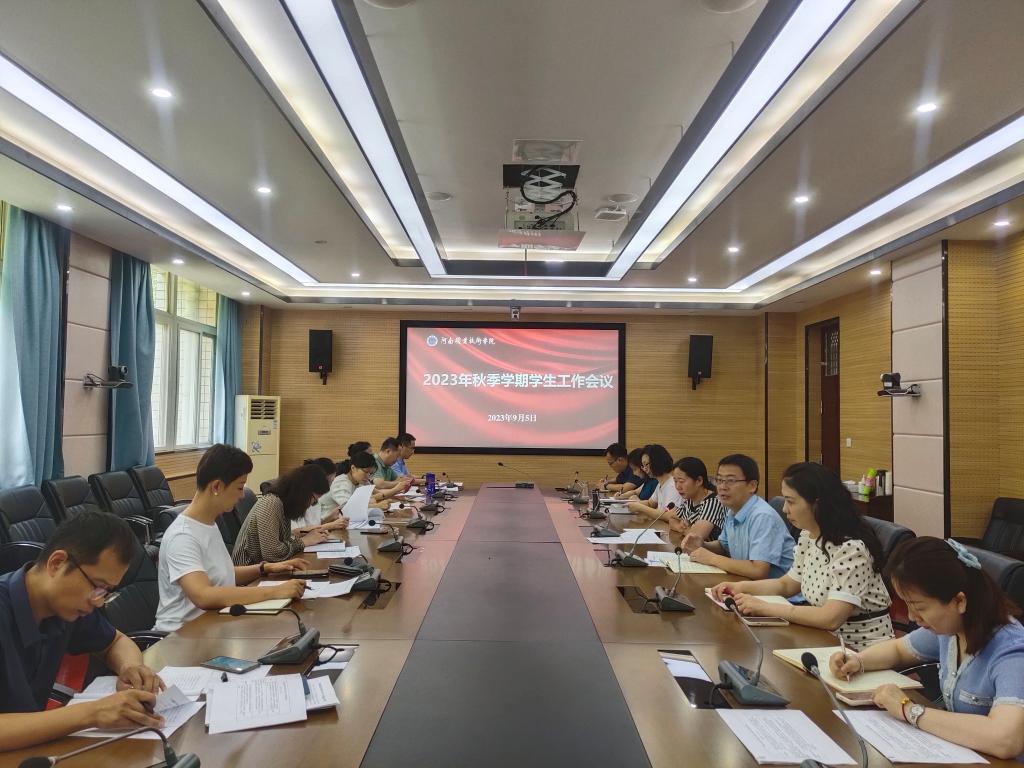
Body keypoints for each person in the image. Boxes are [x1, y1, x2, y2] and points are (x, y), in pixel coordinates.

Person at [829, 537, 1024, 759]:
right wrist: (858, 660)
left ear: (959, 601)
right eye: (907, 605)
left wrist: (908, 709)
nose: (912, 617)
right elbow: (898, 650)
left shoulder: (1012, 651)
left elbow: (1006, 738)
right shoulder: (953, 628)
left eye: (919, 607)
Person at [0, 511, 167, 752]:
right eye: (97, 587)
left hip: (30, 749)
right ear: (57, 563)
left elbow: (115, 641)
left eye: (106, 592)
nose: (98, 602)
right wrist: (92, 713)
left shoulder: (64, 607)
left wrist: (130, 667)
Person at [710, 462, 893, 649]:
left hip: (860, 650)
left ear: (817, 504)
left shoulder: (851, 549)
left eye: (791, 502)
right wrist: (740, 587)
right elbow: (786, 585)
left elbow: (831, 618)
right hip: (821, 639)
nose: (784, 509)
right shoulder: (809, 537)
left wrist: (765, 607)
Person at [155, 444, 307, 633]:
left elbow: (221, 574)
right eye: (240, 487)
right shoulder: (183, 536)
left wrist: (264, 568)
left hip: (213, 626)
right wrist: (275, 591)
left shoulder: (209, 523)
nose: (242, 495)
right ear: (217, 486)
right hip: (181, 636)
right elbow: (203, 595)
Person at [682, 454, 794, 579]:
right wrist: (703, 545)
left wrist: (712, 558)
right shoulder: (733, 510)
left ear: (752, 485)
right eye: (719, 480)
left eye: (730, 481)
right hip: (745, 582)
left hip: (776, 589)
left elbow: (758, 570)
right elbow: (724, 547)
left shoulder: (762, 516)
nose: (722, 487)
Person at [232, 464, 333, 566]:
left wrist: (302, 535)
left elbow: (281, 541)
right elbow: (272, 554)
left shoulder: (284, 504)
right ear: (304, 491)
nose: (311, 504)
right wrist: (304, 541)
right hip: (249, 569)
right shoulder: (271, 503)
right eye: (314, 500)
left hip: (264, 567)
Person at [668, 457, 726, 542]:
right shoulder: (689, 500)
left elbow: (696, 536)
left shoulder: (713, 502)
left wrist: (687, 529)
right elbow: (672, 519)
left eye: (681, 481)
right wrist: (680, 527)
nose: (677, 487)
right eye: (675, 481)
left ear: (699, 480)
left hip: (708, 550)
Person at [292, 457, 348, 534]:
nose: (329, 486)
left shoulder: (315, 497)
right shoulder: (300, 497)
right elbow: (298, 532)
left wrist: (330, 517)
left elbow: (313, 525)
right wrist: (330, 526)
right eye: (329, 482)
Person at [322, 451, 390, 514]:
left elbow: (373, 498)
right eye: (366, 472)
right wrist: (377, 506)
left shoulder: (361, 481)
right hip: (327, 521)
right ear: (353, 468)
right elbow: (347, 507)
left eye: (370, 473)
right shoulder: (341, 482)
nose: (368, 476)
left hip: (344, 519)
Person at [629, 444, 683, 520]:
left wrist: (640, 507)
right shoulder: (660, 484)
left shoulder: (673, 486)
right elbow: (650, 503)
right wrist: (629, 504)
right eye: (643, 466)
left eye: (646, 464)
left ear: (657, 461)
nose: (644, 469)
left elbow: (668, 515)